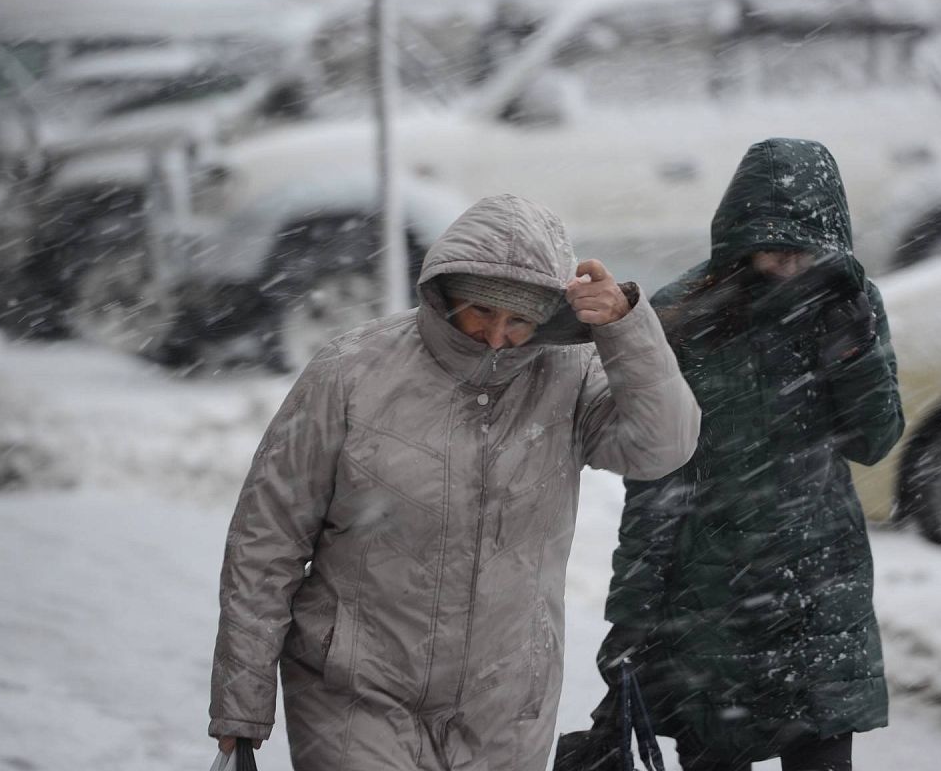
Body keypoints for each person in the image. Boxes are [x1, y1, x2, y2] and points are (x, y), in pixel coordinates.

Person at [208, 194, 701, 770]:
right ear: (443, 295)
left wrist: (626, 331)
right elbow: (267, 541)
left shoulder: (566, 377)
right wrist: (242, 706)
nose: (496, 337)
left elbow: (664, 446)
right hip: (355, 690)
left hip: (505, 702)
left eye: (518, 320)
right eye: (480, 312)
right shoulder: (350, 372)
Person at [597, 138, 905, 770]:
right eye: (774, 248)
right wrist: (631, 614)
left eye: (805, 250)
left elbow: (875, 440)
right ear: (736, 239)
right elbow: (656, 476)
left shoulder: (848, 304)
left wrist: (851, 344)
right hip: (708, 593)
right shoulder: (683, 317)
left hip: (816, 587)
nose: (790, 266)